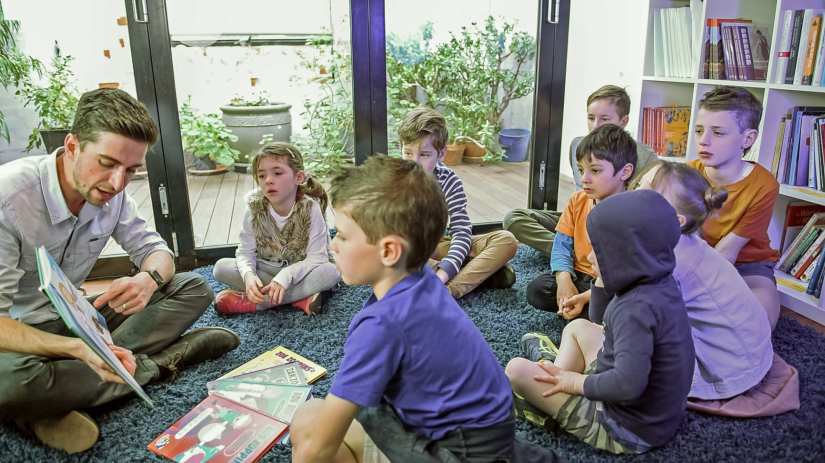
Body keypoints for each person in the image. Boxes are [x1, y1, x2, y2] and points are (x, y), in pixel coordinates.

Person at [0, 88, 240, 454]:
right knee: (8, 384)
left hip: (77, 316)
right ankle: (159, 364)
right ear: (72, 146)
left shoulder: (112, 193)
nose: (117, 183)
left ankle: (52, 399)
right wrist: (75, 349)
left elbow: (157, 251)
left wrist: (148, 279)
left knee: (193, 287)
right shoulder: (8, 200)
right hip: (17, 337)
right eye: (107, 163)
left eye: (131, 170)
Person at [289, 156, 517, 462]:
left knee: (307, 423)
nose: (333, 246)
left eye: (342, 235)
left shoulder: (381, 326)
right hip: (493, 433)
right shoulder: (423, 278)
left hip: (461, 452)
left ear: (389, 251)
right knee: (325, 412)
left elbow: (317, 448)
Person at [505, 190, 695, 454]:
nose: (589, 257)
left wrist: (574, 383)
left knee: (515, 370)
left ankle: (549, 389)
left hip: (626, 428)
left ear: (626, 255)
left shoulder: (635, 309)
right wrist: (603, 277)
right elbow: (599, 321)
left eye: (599, 250)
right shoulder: (655, 281)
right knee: (578, 327)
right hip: (648, 410)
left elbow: (627, 384)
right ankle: (552, 378)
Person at [639, 162, 774, 400]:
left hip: (730, 371)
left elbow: (639, 316)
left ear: (677, 220)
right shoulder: (682, 242)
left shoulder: (669, 261)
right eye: (638, 186)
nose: (634, 195)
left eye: (646, 192)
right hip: (749, 358)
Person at [504, 84, 659, 258]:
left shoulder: (645, 156)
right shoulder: (579, 145)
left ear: (623, 121)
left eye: (605, 119)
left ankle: (579, 254)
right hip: (580, 219)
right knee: (514, 218)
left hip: (616, 227)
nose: (595, 126)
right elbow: (580, 193)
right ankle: (572, 253)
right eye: (591, 118)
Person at [399, 106, 518, 299]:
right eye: (408, 153)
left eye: (424, 155)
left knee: (506, 240)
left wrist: (442, 276)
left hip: (436, 247)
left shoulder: (449, 181)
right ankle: (478, 273)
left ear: (441, 154)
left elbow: (461, 232)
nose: (415, 162)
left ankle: (446, 291)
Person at [687, 86, 780, 329]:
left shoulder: (764, 185)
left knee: (761, 321)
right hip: (693, 257)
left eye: (718, 133)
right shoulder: (685, 175)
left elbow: (728, 252)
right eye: (699, 130)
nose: (703, 140)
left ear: (748, 139)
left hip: (749, 266)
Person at [213, 142, 339, 315]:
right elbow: (245, 252)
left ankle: (256, 304)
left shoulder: (310, 208)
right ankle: (300, 298)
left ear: (298, 177)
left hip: (301, 270)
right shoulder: (254, 208)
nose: (268, 180)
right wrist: (249, 275)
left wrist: (285, 276)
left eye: (277, 173)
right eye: (262, 175)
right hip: (267, 268)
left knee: (331, 272)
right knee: (220, 268)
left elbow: (317, 257)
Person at [525, 124, 636, 320]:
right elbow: (562, 245)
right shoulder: (578, 200)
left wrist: (585, 297)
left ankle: (584, 312)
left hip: (610, 285)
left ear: (625, 172)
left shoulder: (634, 210)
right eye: (581, 170)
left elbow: (629, 274)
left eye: (595, 170)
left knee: (622, 302)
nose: (584, 178)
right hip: (579, 275)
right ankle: (582, 311)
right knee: (537, 290)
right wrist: (564, 280)